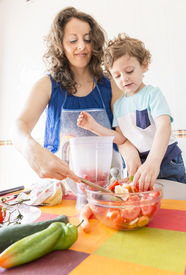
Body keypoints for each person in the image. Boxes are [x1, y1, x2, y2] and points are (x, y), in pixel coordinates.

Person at [12, 7, 131, 184]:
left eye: (87, 39)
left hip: (107, 189)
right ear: (60, 44)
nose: (81, 46)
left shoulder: (112, 85)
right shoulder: (46, 85)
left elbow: (127, 137)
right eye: (73, 40)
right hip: (60, 189)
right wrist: (30, 149)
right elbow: (18, 127)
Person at [77, 33, 186, 191]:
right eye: (117, 75)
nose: (124, 79)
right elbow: (121, 139)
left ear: (144, 65)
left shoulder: (152, 94)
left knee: (179, 206)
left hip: (166, 160)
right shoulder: (120, 105)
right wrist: (93, 127)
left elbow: (164, 126)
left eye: (129, 71)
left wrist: (153, 161)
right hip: (141, 166)